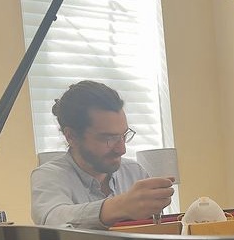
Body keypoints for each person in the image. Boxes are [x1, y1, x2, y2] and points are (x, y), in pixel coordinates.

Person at [30, 80, 175, 229]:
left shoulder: (134, 172)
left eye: (123, 135)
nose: (122, 149)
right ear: (71, 136)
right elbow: (52, 219)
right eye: (109, 138)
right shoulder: (49, 176)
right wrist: (120, 206)